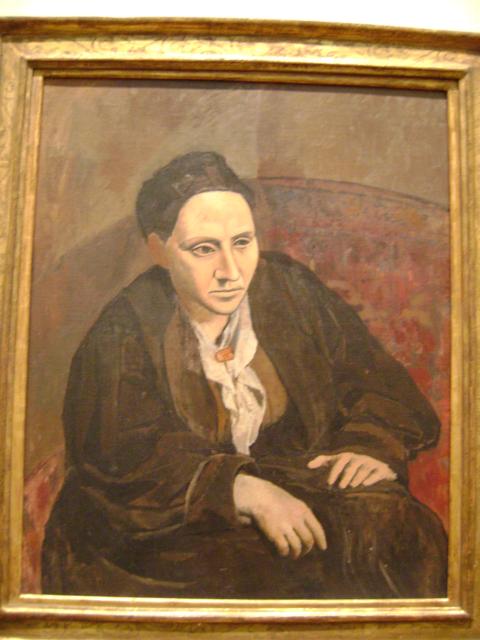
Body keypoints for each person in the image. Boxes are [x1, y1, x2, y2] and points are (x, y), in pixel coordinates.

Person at [42, 151, 447, 599]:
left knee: (398, 529)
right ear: (159, 250)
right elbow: (118, 454)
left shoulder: (290, 291)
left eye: (242, 242)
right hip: (160, 525)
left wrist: (372, 443)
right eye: (204, 249)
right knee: (259, 569)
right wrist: (239, 488)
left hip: (293, 481)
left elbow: (374, 381)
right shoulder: (123, 329)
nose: (231, 271)